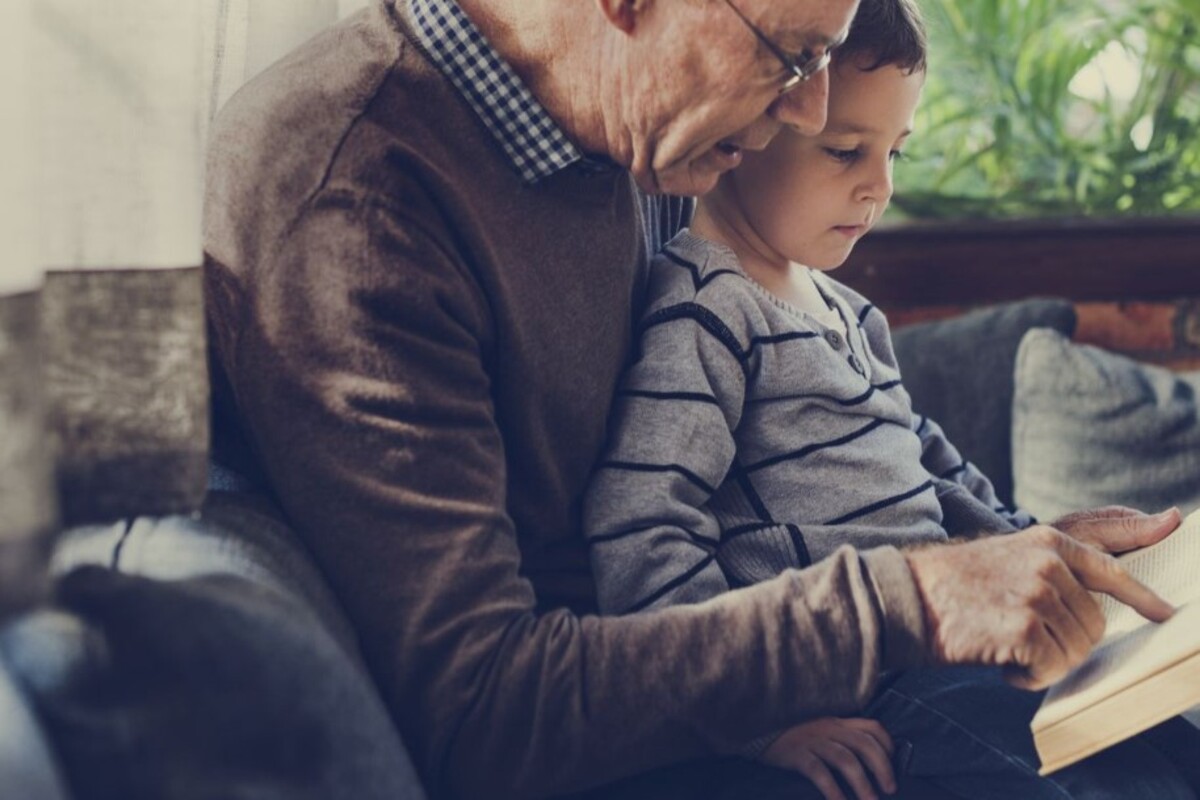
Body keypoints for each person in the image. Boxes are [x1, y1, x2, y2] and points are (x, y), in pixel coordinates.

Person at [202, 0, 1184, 798]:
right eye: (793, 56)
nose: (803, 116)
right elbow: (482, 713)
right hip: (641, 736)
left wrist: (1028, 548)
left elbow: (838, 410)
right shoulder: (357, 199)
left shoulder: (646, 130)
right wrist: (907, 598)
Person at [583, 2, 1200, 798]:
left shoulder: (847, 310)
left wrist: (1038, 550)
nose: (880, 188)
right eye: (846, 152)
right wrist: (758, 726)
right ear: (752, 128)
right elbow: (642, 531)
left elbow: (933, 469)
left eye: (895, 152)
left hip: (951, 646)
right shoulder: (705, 309)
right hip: (868, 685)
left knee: (1166, 750)